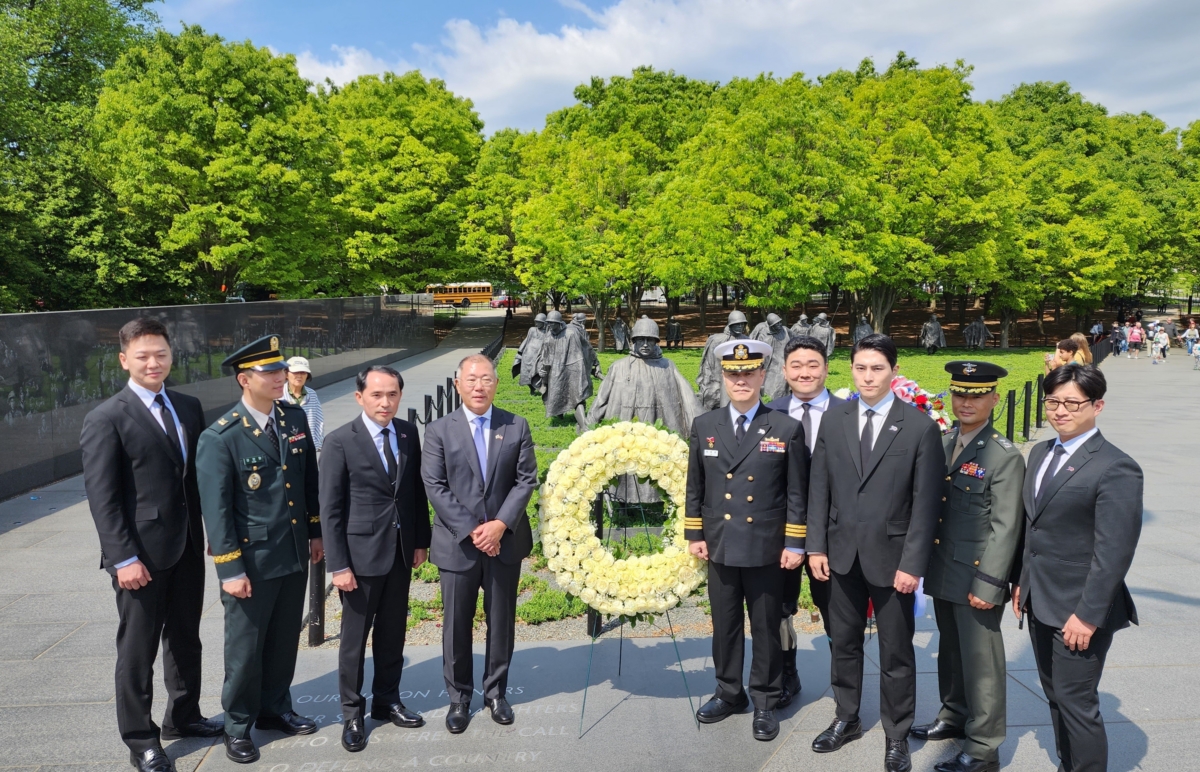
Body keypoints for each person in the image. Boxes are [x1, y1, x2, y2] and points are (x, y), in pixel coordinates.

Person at [80, 318, 222, 772]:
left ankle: (184, 715)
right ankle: (141, 738)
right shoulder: (106, 418)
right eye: (142, 355)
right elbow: (103, 498)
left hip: (185, 545)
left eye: (160, 353)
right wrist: (122, 558)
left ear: (170, 355)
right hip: (138, 554)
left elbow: (197, 481)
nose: (153, 362)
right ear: (124, 360)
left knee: (185, 637)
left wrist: (214, 534)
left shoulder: (188, 405)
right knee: (137, 649)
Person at [806, 333, 944, 772]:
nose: (868, 376)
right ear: (851, 369)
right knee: (843, 643)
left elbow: (926, 504)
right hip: (840, 555)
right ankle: (846, 717)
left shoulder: (919, 426)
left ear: (894, 371)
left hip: (893, 561)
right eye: (861, 368)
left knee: (896, 652)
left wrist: (913, 565)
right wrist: (815, 547)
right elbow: (818, 489)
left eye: (878, 368)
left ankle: (897, 734)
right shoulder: (835, 419)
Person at [197, 335, 323, 764]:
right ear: (244, 379)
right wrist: (229, 569)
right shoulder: (221, 436)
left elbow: (309, 482)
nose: (280, 377)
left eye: (280, 370)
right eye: (270, 372)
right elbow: (215, 510)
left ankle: (275, 708)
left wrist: (316, 532)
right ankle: (237, 725)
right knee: (246, 648)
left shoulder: (292, 418)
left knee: (284, 639)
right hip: (251, 561)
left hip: (292, 551)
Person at [1013, 364, 1143, 772]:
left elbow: (1114, 552)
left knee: (1077, 701)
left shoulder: (1115, 466)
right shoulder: (1040, 452)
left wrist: (1087, 616)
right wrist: (1022, 582)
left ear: (1097, 406)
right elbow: (1032, 528)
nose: (1060, 411)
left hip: (1080, 608)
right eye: (1053, 401)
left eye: (1072, 403)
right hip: (1040, 598)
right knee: (1055, 695)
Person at [686, 339, 808, 742]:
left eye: (748, 372)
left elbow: (796, 493)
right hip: (720, 543)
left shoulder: (786, 427)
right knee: (724, 625)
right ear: (724, 376)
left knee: (767, 627)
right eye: (733, 373)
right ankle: (729, 691)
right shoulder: (705, 426)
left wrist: (794, 543)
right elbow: (695, 487)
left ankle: (766, 700)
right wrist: (694, 534)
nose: (741, 379)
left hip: (766, 547)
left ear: (762, 376)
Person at [911, 361, 1025, 772]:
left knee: (983, 664)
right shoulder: (943, 442)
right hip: (945, 567)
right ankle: (954, 714)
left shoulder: (1003, 455)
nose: (966, 402)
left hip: (977, 575)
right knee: (952, 651)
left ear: (994, 398)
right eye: (960, 393)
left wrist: (990, 583)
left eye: (977, 395)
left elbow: (1006, 526)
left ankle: (982, 747)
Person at [421, 354, 538, 734]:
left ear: (496, 383)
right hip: (458, 545)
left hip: (504, 543)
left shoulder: (515, 425)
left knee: (501, 621)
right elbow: (435, 485)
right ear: (457, 384)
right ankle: (459, 698)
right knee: (456, 624)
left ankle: (496, 692)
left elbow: (525, 480)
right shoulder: (439, 430)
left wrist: (501, 525)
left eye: (486, 379)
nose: (478, 386)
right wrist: (475, 529)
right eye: (471, 379)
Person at [320, 366, 431, 752]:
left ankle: (387, 700)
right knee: (354, 641)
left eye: (393, 395)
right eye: (377, 395)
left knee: (392, 634)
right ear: (360, 397)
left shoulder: (406, 432)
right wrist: (339, 565)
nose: (385, 402)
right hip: (359, 559)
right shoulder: (339, 442)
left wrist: (420, 540)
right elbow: (330, 509)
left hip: (400, 553)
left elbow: (413, 490)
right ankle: (352, 714)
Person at [765, 335, 844, 707]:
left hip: (834, 533)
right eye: (796, 365)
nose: (805, 372)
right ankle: (786, 676)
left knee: (836, 611)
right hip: (784, 534)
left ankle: (845, 686)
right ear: (784, 371)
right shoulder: (769, 415)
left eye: (813, 364)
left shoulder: (850, 413)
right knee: (779, 608)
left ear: (826, 368)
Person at [586, 316, 699, 503]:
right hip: (625, 429)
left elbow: (688, 398)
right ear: (634, 341)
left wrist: (700, 428)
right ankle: (621, 501)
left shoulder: (668, 366)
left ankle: (661, 500)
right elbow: (601, 399)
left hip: (659, 428)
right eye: (641, 340)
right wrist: (590, 424)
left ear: (656, 342)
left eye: (650, 340)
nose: (645, 344)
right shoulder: (619, 367)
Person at [539, 310, 600, 431]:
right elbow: (544, 357)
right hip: (556, 371)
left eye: (553, 323)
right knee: (557, 394)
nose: (550, 325)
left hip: (575, 368)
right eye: (548, 323)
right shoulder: (548, 337)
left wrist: (595, 363)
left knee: (577, 396)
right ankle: (560, 414)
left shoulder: (571, 333)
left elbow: (587, 347)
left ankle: (583, 425)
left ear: (559, 323)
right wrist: (542, 372)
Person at [698, 310, 750, 410]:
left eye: (742, 324)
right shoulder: (716, 340)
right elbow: (708, 364)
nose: (740, 327)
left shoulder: (747, 340)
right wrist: (706, 382)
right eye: (736, 324)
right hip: (718, 380)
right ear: (730, 324)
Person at [283, 356, 324, 452]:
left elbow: (319, 421)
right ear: (286, 374)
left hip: (308, 447)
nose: (299, 376)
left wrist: (316, 444)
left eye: (303, 372)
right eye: (295, 372)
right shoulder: (278, 395)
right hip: (286, 449)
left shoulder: (312, 394)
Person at [750, 312, 792, 402]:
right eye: (777, 324)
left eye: (780, 322)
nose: (780, 325)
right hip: (770, 365)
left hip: (784, 362)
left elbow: (795, 340)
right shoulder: (764, 334)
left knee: (782, 385)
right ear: (771, 325)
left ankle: (782, 403)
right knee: (771, 387)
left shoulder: (785, 330)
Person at [512, 313, 547, 396]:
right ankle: (532, 389)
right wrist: (520, 352)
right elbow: (526, 340)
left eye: (539, 322)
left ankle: (540, 387)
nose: (537, 324)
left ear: (544, 323)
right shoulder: (532, 330)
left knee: (538, 372)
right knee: (527, 374)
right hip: (528, 355)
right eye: (536, 322)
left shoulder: (547, 332)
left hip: (538, 356)